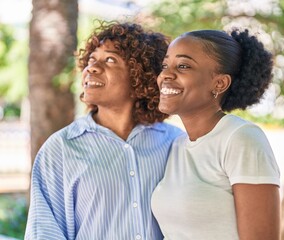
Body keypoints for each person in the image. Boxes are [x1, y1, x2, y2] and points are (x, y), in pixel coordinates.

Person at [25, 21, 183, 240]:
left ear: (141, 75)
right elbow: (44, 232)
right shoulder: (61, 147)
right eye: (91, 60)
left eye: (110, 60)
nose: (92, 68)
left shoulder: (176, 144)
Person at [151, 28, 281, 240]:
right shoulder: (177, 145)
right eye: (165, 65)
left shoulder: (241, 138)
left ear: (219, 83)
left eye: (183, 66)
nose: (165, 74)